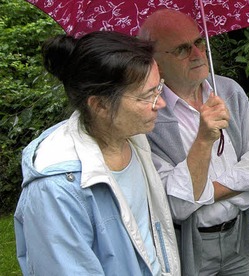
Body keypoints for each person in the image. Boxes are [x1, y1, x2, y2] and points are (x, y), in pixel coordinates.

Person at [13, 31, 180, 275]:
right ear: (100, 105)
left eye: (159, 88)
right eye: (148, 96)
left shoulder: (132, 136)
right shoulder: (56, 190)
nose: (161, 103)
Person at [138, 9, 249, 276]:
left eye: (199, 42)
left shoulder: (229, 91)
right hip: (188, 248)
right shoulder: (148, 114)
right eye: (182, 49)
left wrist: (202, 192)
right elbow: (177, 206)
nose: (198, 54)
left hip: (240, 240)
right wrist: (203, 139)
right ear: (155, 62)